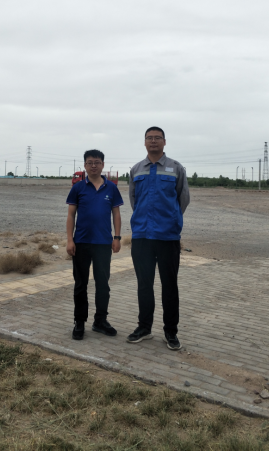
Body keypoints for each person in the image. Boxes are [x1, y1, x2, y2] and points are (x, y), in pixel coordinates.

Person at [127, 127, 190, 350]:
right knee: (144, 285)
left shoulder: (176, 168)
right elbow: (134, 199)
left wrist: (171, 219)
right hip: (142, 236)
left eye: (157, 138)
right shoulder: (136, 169)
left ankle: (170, 332)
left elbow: (183, 199)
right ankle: (144, 327)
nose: (153, 141)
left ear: (164, 142)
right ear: (144, 142)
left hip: (167, 236)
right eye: (149, 138)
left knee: (169, 286)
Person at [66, 149, 123, 340]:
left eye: (97, 162)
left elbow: (116, 214)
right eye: (89, 162)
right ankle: (79, 322)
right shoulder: (78, 188)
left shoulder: (111, 188)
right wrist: (70, 240)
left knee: (103, 285)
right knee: (80, 285)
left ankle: (100, 321)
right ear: (84, 165)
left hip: (103, 244)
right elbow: (71, 215)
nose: (93, 166)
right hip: (81, 243)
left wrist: (117, 237)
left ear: (102, 165)